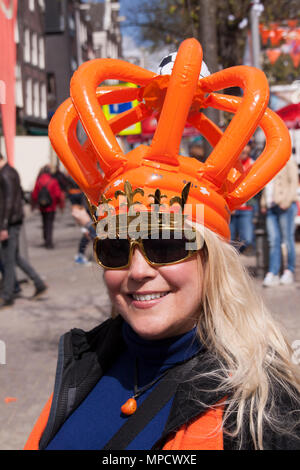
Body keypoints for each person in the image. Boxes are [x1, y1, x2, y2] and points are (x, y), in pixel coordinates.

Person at [24, 38, 300, 451]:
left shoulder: (262, 409)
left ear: (214, 261)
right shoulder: (84, 361)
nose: (137, 271)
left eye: (167, 243)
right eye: (116, 248)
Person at [0, 154, 48, 308]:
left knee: (8, 260)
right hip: (14, 220)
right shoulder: (11, 171)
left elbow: (8, 201)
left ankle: (7, 296)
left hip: (10, 222)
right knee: (14, 257)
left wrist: (4, 226)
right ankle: (39, 284)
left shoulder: (5, 174)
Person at [260, 156, 298, 287]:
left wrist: (286, 201)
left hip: (284, 205)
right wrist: (263, 203)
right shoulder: (269, 161)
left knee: (287, 239)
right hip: (271, 207)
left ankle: (289, 271)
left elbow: (294, 182)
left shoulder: (288, 160)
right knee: (273, 241)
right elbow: (266, 186)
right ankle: (273, 272)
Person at [230, 144, 256, 254]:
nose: (244, 150)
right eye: (242, 147)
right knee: (227, 241)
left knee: (247, 238)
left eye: (246, 147)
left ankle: (235, 256)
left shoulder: (252, 164)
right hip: (231, 208)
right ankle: (231, 260)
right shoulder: (231, 164)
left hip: (246, 208)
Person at [31, 165, 64, 249]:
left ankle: (46, 239)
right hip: (51, 206)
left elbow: (34, 194)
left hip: (42, 206)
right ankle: (49, 242)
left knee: (44, 223)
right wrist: (59, 205)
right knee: (49, 224)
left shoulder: (38, 181)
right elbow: (58, 194)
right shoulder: (53, 181)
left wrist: (34, 205)